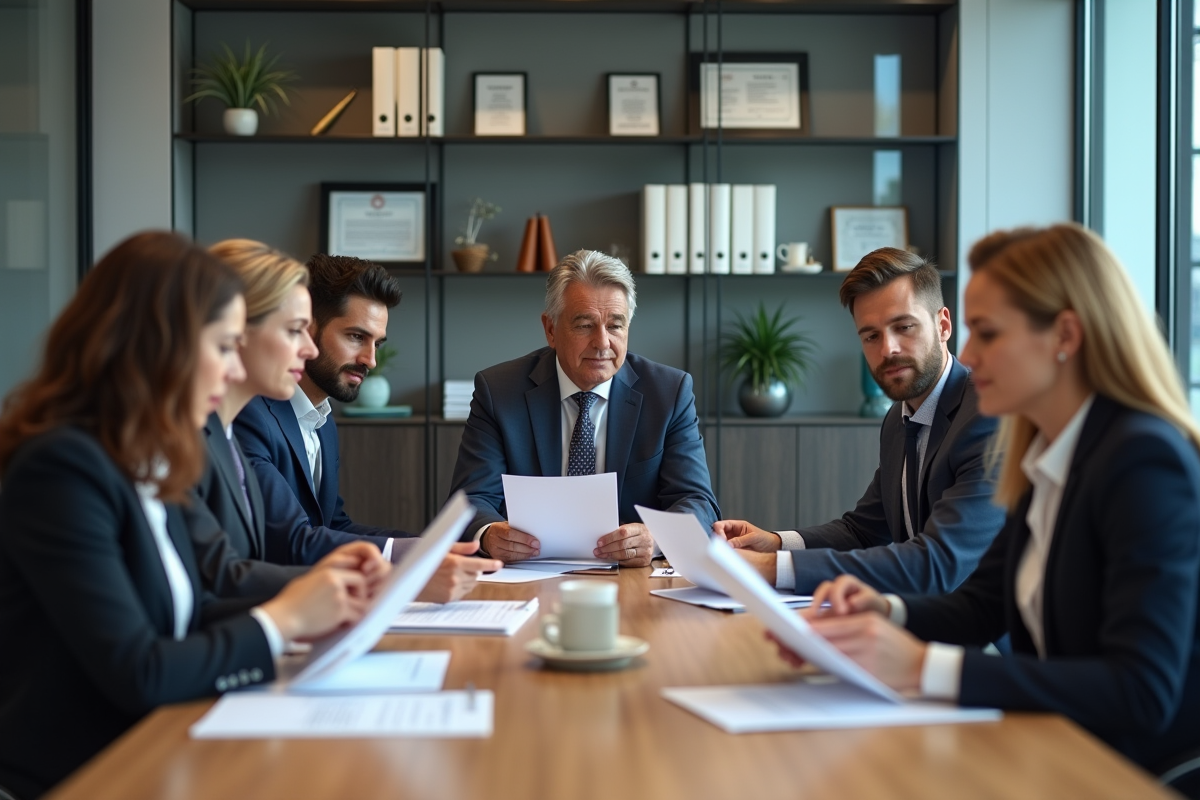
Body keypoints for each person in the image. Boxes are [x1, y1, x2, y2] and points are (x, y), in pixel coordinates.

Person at [773, 223, 1200, 770]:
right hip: (1053, 743)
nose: (969, 353)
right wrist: (884, 612)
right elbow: (982, 606)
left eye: (988, 333)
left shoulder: (1142, 460)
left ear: (1065, 337)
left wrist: (920, 666)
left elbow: (1141, 690)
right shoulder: (1046, 449)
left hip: (1121, 770)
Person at [0, 232, 386, 800]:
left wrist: (322, 602)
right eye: (225, 347)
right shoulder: (64, 467)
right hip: (88, 775)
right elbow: (141, 671)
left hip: (157, 749)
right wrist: (285, 621)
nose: (234, 372)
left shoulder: (151, 457)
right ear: (158, 344)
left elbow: (193, 604)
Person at [714, 248, 1005, 595]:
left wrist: (774, 569)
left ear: (942, 325)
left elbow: (938, 564)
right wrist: (776, 543)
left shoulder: (988, 417)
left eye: (904, 327)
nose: (888, 349)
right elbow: (863, 531)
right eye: (871, 336)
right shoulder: (898, 421)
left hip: (982, 643)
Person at [233, 252, 498, 599]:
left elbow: (333, 526)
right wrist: (411, 560)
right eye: (356, 337)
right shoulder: (250, 414)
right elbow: (291, 539)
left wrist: (425, 548)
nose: (370, 359)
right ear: (308, 330)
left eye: (377, 343)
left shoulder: (322, 421)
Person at [448, 249, 719, 567]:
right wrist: (489, 534)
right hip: (527, 574)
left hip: (633, 577)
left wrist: (657, 538)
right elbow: (471, 500)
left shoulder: (669, 393)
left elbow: (698, 503)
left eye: (615, 326)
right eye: (585, 325)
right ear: (550, 330)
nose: (602, 342)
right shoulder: (499, 391)